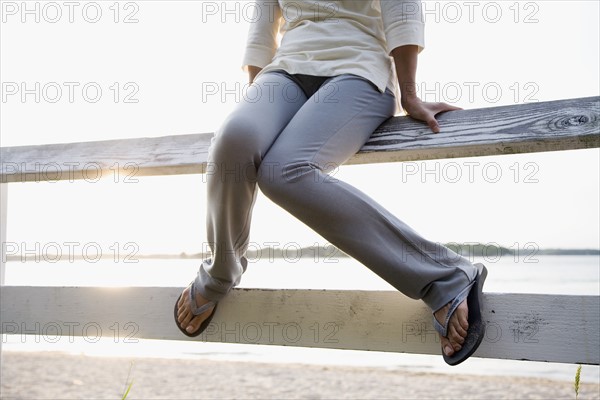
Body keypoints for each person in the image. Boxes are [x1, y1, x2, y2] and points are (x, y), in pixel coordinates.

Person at [175, 0, 487, 365]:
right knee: (233, 141)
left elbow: (401, 8)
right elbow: (262, 28)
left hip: (358, 69)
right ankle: (220, 272)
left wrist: (409, 93)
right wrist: (255, 105)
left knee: (283, 172)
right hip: (285, 70)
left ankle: (446, 278)